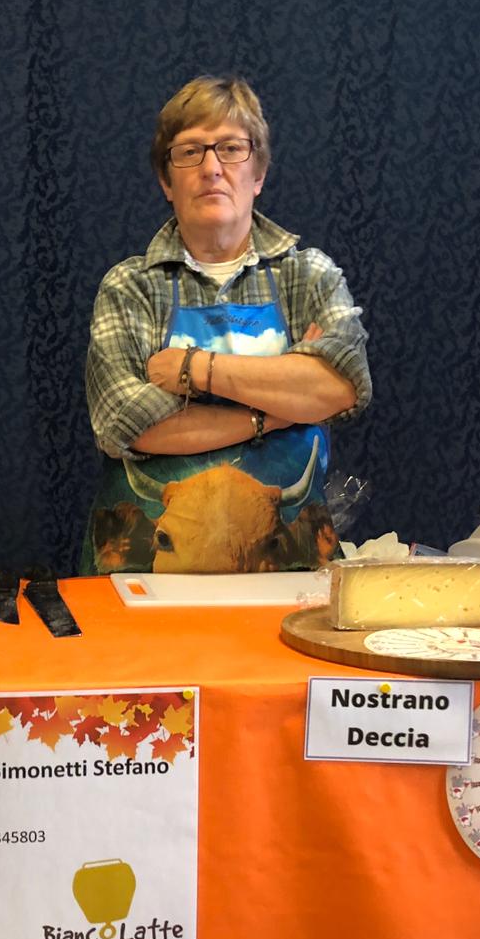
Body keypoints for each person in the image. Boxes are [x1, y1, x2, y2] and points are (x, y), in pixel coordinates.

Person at [83, 75, 372, 574]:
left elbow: (342, 387)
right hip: (141, 576)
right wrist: (277, 413)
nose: (212, 168)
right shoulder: (129, 286)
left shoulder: (310, 276)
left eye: (232, 149)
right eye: (190, 152)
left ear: (258, 173)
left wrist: (193, 370)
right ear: (166, 182)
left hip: (284, 570)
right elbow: (126, 423)